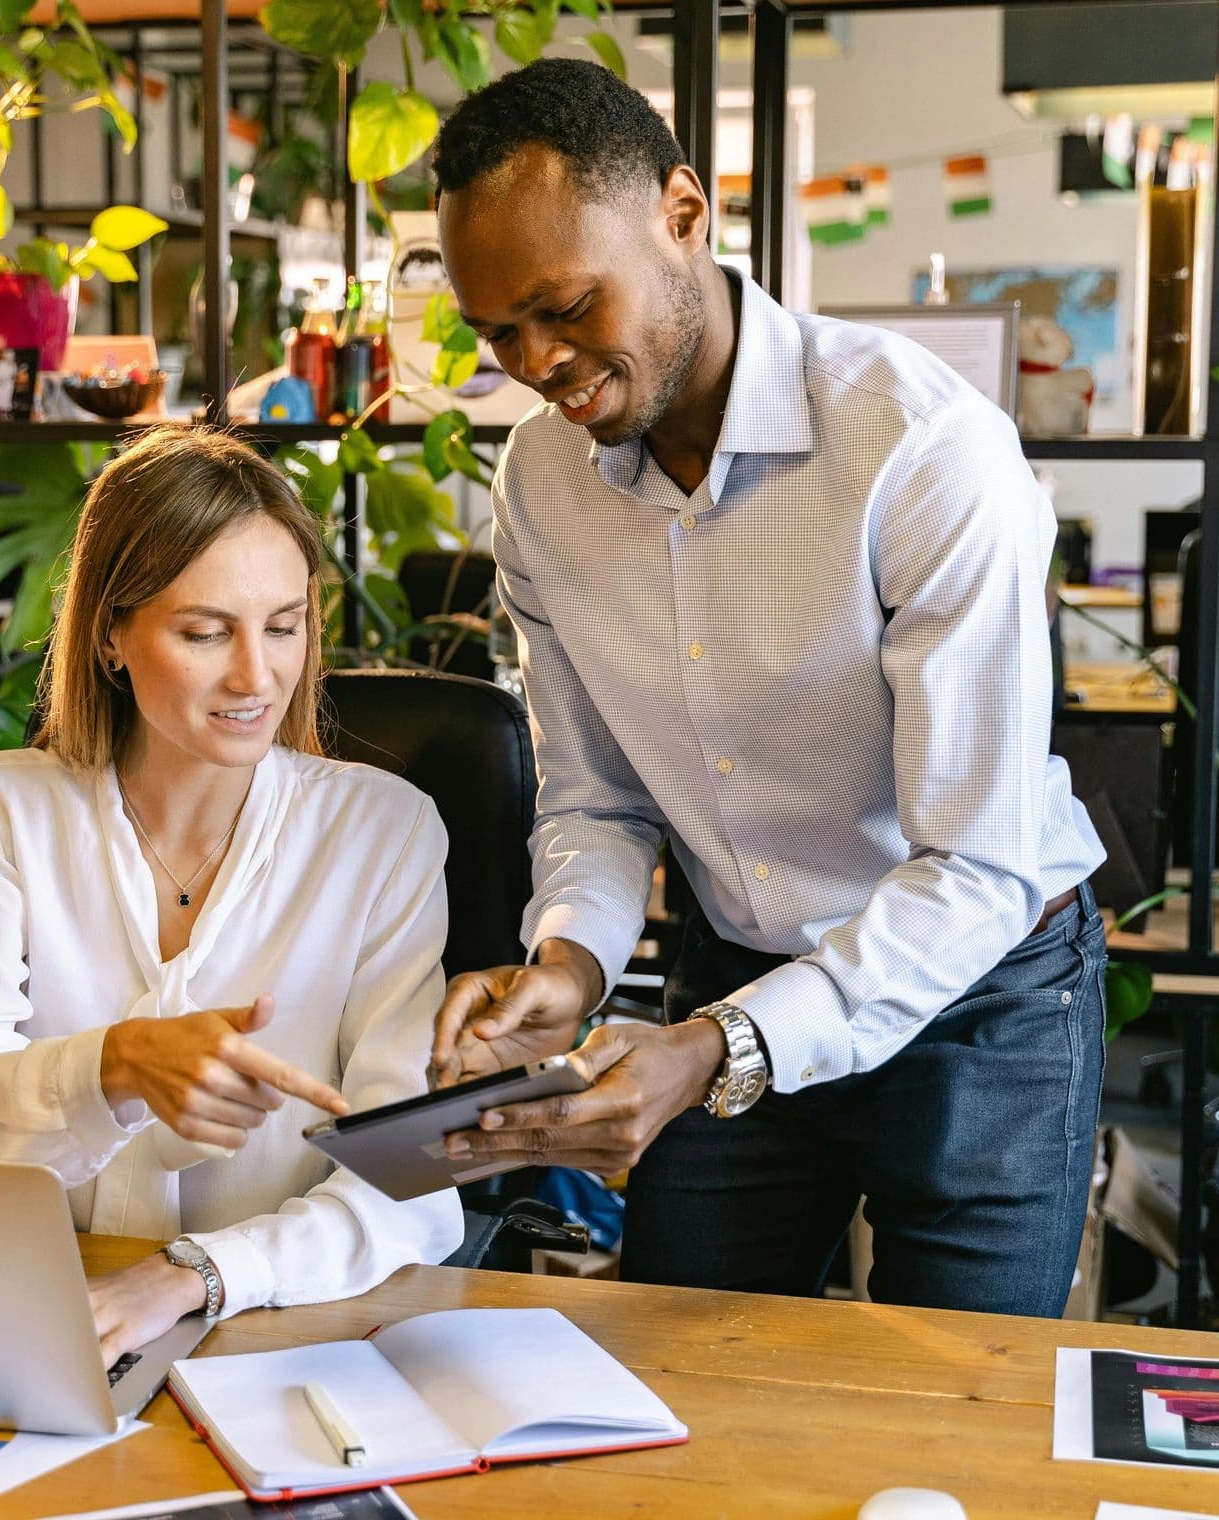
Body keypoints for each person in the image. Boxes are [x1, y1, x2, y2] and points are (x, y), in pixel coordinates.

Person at [428, 58, 1107, 1317]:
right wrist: (566, 969)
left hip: (981, 992)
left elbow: (972, 862)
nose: (536, 361)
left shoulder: (919, 448)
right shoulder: (538, 485)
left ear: (682, 215)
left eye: (565, 304)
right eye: (495, 332)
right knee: (685, 1374)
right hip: (733, 961)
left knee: (945, 1408)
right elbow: (593, 798)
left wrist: (709, 1049)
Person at [0, 427, 462, 1364]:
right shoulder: (2, 808)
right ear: (111, 635)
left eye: (284, 626)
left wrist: (194, 1274)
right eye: (206, 633)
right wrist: (113, 1071)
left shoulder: (384, 831)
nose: (257, 676)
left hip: (287, 1330)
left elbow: (411, 1178)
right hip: (45, 1313)